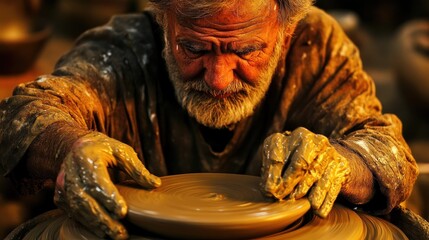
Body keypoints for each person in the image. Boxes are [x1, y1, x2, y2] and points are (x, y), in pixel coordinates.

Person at [0, 0, 420, 239]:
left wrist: (340, 161)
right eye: (196, 50)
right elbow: (22, 115)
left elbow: (388, 151)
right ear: (165, 24)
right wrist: (68, 147)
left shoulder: (317, 47)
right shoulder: (123, 50)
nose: (219, 79)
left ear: (285, 32)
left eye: (245, 51)